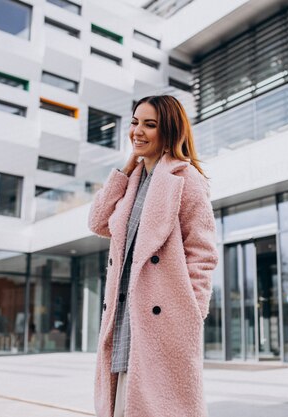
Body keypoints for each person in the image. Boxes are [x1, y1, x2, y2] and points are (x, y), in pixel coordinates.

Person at [88, 95, 218, 417]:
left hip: (164, 319)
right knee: (122, 403)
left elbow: (202, 252)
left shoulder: (185, 179)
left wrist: (190, 310)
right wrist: (124, 170)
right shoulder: (132, 180)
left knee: (158, 407)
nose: (138, 132)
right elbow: (97, 222)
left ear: (169, 131)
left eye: (150, 124)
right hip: (124, 314)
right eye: (135, 122)